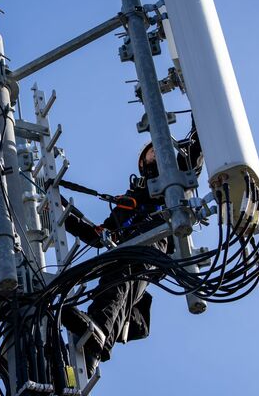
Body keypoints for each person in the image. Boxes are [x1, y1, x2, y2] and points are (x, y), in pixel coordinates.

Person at [61, 121, 204, 374]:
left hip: (155, 239)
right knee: (117, 269)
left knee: (124, 263)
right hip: (129, 247)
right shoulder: (130, 201)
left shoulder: (177, 177)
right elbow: (97, 234)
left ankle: (99, 330)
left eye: (160, 150)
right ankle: (94, 342)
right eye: (151, 150)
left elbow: (197, 144)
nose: (155, 153)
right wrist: (61, 208)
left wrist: (200, 102)